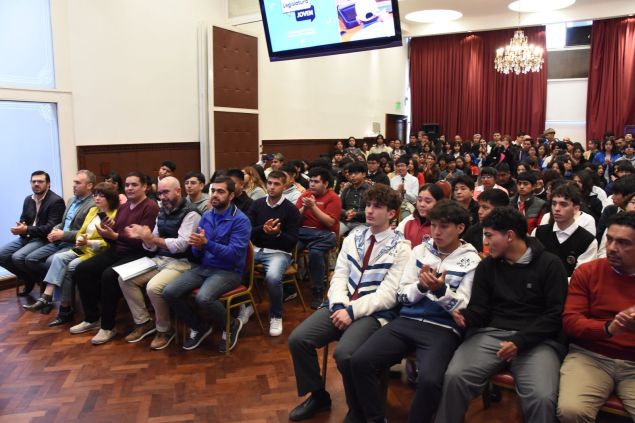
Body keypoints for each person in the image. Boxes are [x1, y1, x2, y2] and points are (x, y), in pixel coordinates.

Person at [287, 184, 410, 421]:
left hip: (373, 313)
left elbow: (388, 294)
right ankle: (318, 396)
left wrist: (351, 311)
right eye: (368, 205)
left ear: (392, 213)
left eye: (377, 206)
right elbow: (339, 275)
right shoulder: (354, 237)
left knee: (345, 354)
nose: (370, 210)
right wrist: (339, 305)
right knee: (299, 339)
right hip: (341, 305)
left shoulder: (402, 247)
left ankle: (359, 410)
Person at [350, 200, 480, 423]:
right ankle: (375, 419)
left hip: (443, 329)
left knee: (430, 380)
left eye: (444, 226)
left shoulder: (472, 261)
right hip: (406, 321)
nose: (436, 232)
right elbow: (401, 294)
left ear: (460, 228)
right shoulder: (420, 251)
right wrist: (421, 287)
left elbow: (464, 308)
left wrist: (440, 291)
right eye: (433, 225)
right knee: (360, 361)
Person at [435, 207, 569, 423]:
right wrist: (466, 316)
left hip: (538, 340)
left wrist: (519, 341)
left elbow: (554, 316)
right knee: (455, 377)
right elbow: (480, 309)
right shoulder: (487, 266)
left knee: (542, 397)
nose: (486, 242)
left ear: (509, 236)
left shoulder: (550, 264)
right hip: (491, 334)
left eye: (489, 236)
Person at [557, 212, 635, 422]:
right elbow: (571, 322)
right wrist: (609, 328)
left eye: (623, 243)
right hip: (591, 355)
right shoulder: (588, 272)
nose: (612, 248)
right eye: (609, 239)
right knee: (571, 411)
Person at [162, 176, 251, 353]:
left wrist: (207, 244)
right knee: (169, 292)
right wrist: (197, 247)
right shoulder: (207, 216)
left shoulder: (241, 220)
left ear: (231, 196)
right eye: (213, 191)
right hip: (204, 268)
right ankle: (200, 326)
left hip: (229, 271)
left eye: (221, 191)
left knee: (203, 298)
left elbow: (234, 255)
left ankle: (231, 325)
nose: (215, 195)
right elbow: (198, 253)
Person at [70, 172, 160, 345]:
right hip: (118, 250)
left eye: (134, 185)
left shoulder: (150, 207)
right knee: (82, 269)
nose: (129, 188)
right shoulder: (124, 207)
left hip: (139, 254)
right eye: (127, 185)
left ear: (145, 187)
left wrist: (115, 236)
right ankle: (92, 318)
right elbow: (115, 237)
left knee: (108, 275)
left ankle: (108, 327)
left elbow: (143, 241)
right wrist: (107, 234)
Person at [117, 176, 201, 350]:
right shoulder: (162, 211)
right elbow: (151, 244)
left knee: (153, 287)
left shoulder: (191, 213)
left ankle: (165, 330)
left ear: (178, 191)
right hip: (161, 259)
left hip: (184, 262)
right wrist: (145, 238)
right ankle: (144, 322)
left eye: (166, 192)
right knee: (124, 279)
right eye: (160, 193)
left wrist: (151, 239)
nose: (162, 197)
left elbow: (181, 245)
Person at [23, 182, 116, 324]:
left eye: (101, 196)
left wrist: (88, 242)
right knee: (58, 258)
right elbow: (81, 231)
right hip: (83, 248)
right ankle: (46, 297)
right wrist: (81, 238)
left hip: (98, 252)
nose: (97, 198)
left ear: (110, 198)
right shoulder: (93, 211)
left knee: (69, 267)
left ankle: (65, 308)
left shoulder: (114, 215)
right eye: (95, 195)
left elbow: (109, 243)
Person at [22, 170, 96, 296]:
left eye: (78, 183)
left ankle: (55, 298)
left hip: (75, 244)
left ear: (89, 186)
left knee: (51, 261)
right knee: (30, 259)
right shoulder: (71, 200)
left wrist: (63, 235)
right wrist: (55, 230)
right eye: (74, 182)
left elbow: (87, 233)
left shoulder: (94, 204)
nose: (74, 185)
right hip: (59, 241)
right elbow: (63, 222)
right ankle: (46, 287)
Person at [245, 171, 301, 336]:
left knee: (273, 278)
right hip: (255, 249)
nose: (271, 187)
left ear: (284, 186)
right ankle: (246, 306)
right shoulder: (257, 204)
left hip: (279, 252)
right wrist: (262, 229)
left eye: (276, 184)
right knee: (233, 267)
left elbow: (292, 241)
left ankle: (276, 315)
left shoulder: (291, 210)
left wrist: (277, 234)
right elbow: (246, 231)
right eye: (269, 183)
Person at [0, 170, 65, 297]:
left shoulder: (56, 201)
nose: (36, 184)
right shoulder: (28, 199)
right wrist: (21, 226)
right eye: (33, 181)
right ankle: (28, 278)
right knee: (2, 255)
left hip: (43, 238)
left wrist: (26, 229)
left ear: (48, 184)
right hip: (27, 237)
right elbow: (24, 218)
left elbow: (50, 228)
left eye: (40, 181)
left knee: (17, 257)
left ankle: (41, 281)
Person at [295, 167, 342, 309]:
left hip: (325, 233)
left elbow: (330, 222)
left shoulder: (333, 198)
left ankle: (318, 290)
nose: (312, 184)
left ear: (326, 184)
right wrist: (304, 207)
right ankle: (290, 285)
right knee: (291, 245)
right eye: (311, 181)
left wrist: (313, 207)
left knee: (315, 252)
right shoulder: (305, 195)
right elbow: (295, 219)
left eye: (316, 182)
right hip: (307, 235)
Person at [533, 183, 597, 277]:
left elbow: (580, 277)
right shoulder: (539, 232)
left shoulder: (588, 241)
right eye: (554, 204)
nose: (556, 209)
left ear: (576, 209)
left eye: (563, 204)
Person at [462, 188, 509, 256]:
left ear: (500, 210)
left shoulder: (512, 230)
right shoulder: (472, 231)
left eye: (485, 207)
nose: (479, 212)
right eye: (479, 207)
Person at [339, 162, 370, 236]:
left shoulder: (370, 190)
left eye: (356, 173)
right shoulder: (347, 189)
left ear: (364, 174)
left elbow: (372, 211)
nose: (352, 176)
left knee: (353, 237)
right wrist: (346, 213)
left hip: (363, 223)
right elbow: (338, 207)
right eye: (350, 174)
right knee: (333, 233)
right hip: (346, 222)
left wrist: (356, 214)